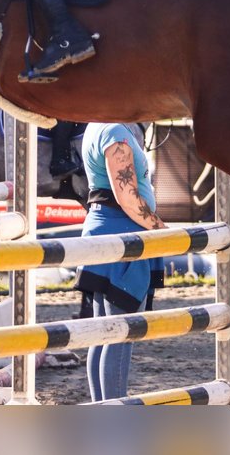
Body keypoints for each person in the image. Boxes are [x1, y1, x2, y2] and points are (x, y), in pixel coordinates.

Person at [72, 122, 165, 402]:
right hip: (122, 233)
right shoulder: (115, 131)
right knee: (121, 334)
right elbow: (127, 196)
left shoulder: (96, 125)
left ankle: (104, 411)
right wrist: (161, 229)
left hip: (107, 228)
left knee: (104, 333)